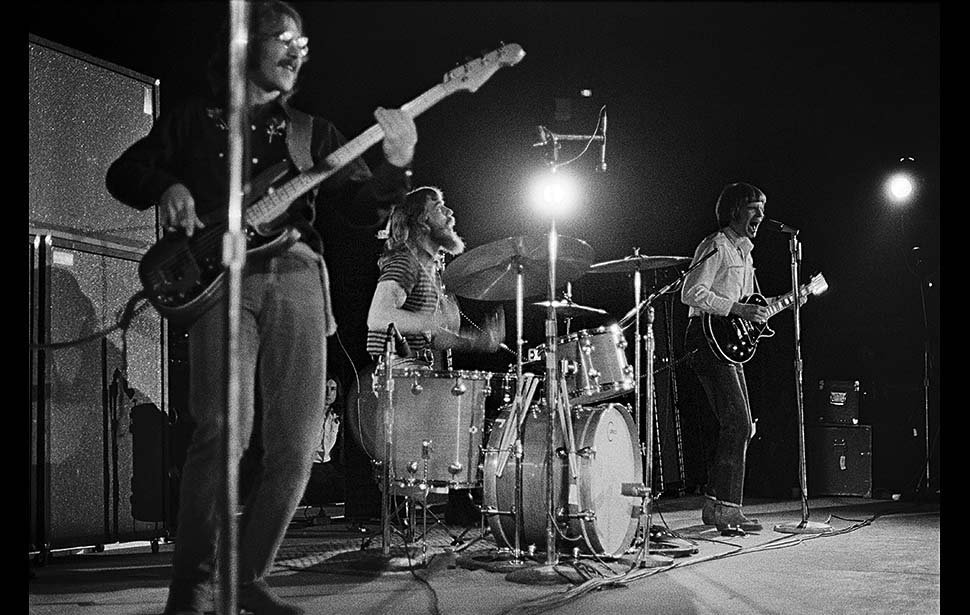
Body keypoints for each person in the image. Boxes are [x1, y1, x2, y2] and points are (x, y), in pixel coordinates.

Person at [104, 2, 417, 614]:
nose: (297, 50)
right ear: (245, 44)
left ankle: (247, 578)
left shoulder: (312, 132)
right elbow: (125, 172)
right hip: (223, 282)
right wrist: (168, 185)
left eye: (304, 42)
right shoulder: (193, 119)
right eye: (284, 37)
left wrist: (397, 163)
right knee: (221, 432)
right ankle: (192, 589)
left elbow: (361, 208)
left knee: (297, 447)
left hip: (299, 275)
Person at [680, 182, 770, 534]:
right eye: (754, 208)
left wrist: (788, 300)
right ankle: (729, 510)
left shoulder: (746, 254)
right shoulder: (716, 245)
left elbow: (749, 304)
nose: (761, 215)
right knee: (739, 423)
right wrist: (736, 308)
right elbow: (691, 292)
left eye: (763, 208)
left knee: (740, 425)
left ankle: (715, 505)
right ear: (734, 211)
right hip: (705, 339)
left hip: (727, 342)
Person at [365, 185, 505, 363]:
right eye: (439, 208)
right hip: (399, 370)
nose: (449, 213)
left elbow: (434, 338)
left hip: (417, 368)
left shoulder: (429, 270)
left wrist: (475, 342)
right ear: (422, 221)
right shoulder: (406, 263)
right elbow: (378, 317)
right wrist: (430, 321)